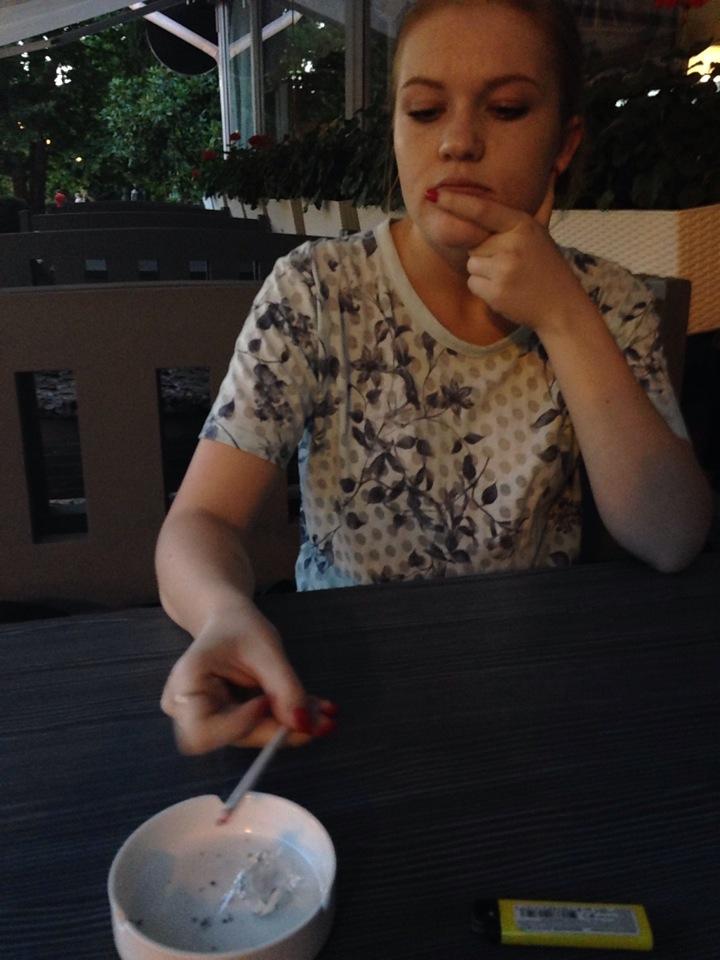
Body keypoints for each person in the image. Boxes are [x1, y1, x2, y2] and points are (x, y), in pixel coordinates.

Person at [156, 0, 712, 755]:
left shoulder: (607, 302)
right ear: (395, 130)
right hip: (340, 690)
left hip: (533, 695)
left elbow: (672, 535)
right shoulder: (317, 290)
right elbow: (200, 522)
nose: (457, 141)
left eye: (507, 109)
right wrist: (223, 614)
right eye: (423, 110)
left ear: (563, 144)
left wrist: (563, 317)